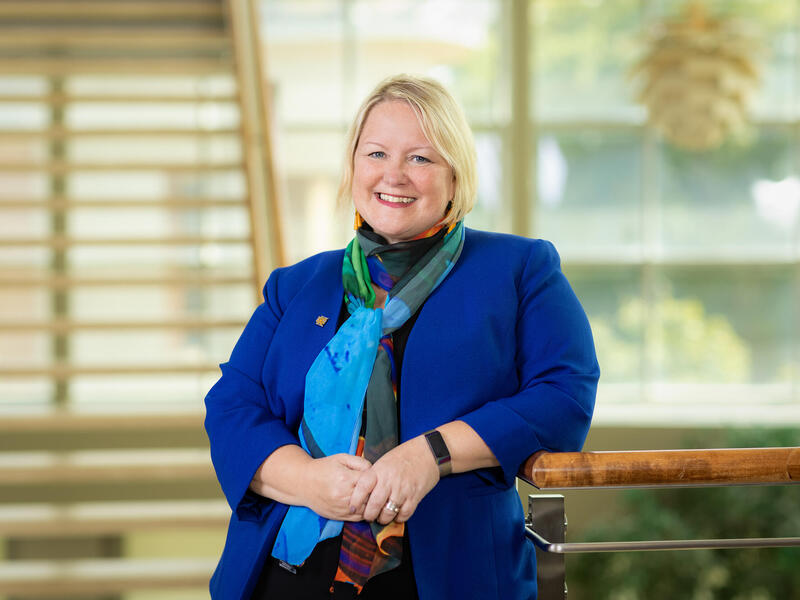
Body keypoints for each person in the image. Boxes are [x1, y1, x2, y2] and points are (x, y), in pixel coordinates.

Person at [204, 74, 599, 600]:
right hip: (289, 574)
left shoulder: (519, 269)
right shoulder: (295, 285)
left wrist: (430, 454)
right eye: (376, 153)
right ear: (353, 168)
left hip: (448, 573)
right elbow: (231, 407)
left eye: (420, 158)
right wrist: (308, 481)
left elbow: (564, 395)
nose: (395, 175)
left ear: (455, 178)